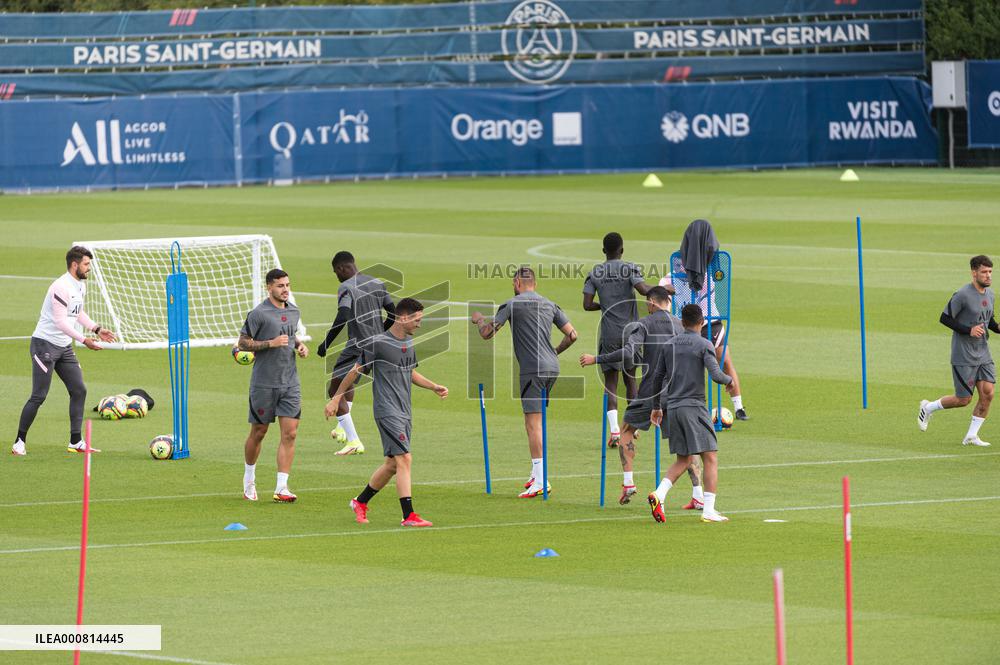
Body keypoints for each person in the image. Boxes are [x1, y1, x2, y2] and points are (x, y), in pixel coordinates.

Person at [326, 298, 447, 527]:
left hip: (405, 411)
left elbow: (409, 372)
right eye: (417, 320)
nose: (419, 325)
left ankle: (360, 502)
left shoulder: (408, 345)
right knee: (405, 458)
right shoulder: (378, 343)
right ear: (402, 318)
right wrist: (336, 399)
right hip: (386, 410)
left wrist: (433, 386)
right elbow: (354, 372)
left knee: (393, 464)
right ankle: (408, 515)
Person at [582, 286, 706, 506]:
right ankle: (698, 495)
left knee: (627, 430)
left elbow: (628, 353)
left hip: (652, 391)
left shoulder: (643, 324)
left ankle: (629, 482)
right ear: (668, 302)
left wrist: (597, 359)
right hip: (680, 393)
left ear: (650, 302)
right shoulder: (682, 325)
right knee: (687, 445)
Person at [472, 266, 578, 498]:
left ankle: (541, 480)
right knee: (536, 421)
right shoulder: (550, 304)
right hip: (552, 367)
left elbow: (487, 333)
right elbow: (573, 335)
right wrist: (554, 352)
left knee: (533, 424)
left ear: (517, 283)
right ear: (535, 284)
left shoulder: (512, 304)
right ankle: (535, 472)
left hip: (532, 370)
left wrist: (479, 320)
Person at [12, 246, 116, 455]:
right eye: (86, 264)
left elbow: (76, 312)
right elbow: (60, 321)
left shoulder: (79, 286)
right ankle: (19, 442)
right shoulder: (60, 287)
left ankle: (76, 442)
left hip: (63, 347)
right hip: (44, 346)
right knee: (39, 395)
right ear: (74, 264)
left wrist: (96, 328)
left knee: (79, 389)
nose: (89, 269)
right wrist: (85, 339)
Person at [649, 304, 733, 523]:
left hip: (673, 408)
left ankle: (659, 494)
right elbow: (715, 374)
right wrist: (730, 380)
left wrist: (657, 407)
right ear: (701, 321)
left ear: (682, 322)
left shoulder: (669, 345)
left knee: (684, 458)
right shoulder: (704, 344)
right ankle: (709, 510)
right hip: (694, 407)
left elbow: (657, 379)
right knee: (710, 456)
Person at [237, 269, 308, 502]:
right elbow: (243, 343)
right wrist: (271, 343)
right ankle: (249, 479)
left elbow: (289, 334)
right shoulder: (258, 313)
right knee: (259, 432)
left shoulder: (294, 311)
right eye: (280, 286)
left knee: (290, 433)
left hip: (290, 383)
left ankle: (282, 488)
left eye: (287, 285)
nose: (285, 289)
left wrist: (299, 345)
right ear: (269, 287)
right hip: (264, 384)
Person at [317, 251, 396, 456]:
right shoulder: (377, 283)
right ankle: (342, 428)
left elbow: (343, 314)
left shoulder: (346, 287)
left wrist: (326, 343)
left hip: (357, 344)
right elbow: (393, 312)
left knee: (335, 388)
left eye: (336, 272)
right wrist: (381, 333)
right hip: (378, 344)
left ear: (342, 268)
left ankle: (353, 440)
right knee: (348, 382)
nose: (336, 276)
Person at [582, 232, 657, 447]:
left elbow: (587, 304)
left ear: (604, 251)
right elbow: (643, 290)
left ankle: (615, 431)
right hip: (632, 332)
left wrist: (604, 305)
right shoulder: (629, 268)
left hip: (609, 333)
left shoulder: (595, 272)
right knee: (630, 380)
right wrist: (663, 290)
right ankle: (630, 429)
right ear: (622, 250)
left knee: (611, 384)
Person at [919, 255, 997, 447]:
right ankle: (928, 407)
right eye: (984, 272)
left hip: (983, 353)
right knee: (964, 399)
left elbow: (990, 321)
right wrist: (968, 330)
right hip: (964, 355)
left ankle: (971, 436)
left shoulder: (990, 295)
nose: (988, 276)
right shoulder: (962, 295)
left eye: (990, 272)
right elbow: (944, 318)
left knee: (988, 393)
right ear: (974, 272)